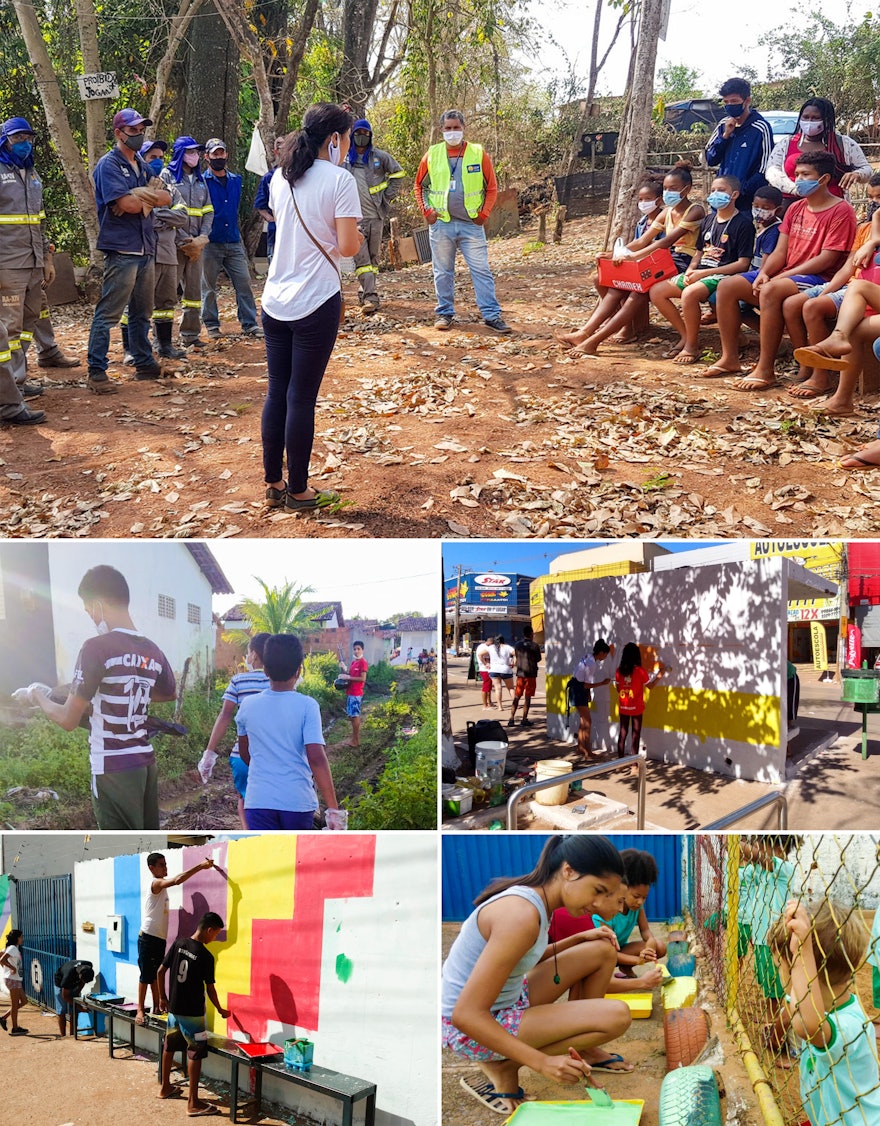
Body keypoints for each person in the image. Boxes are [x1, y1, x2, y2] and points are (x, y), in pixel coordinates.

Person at [442, 834, 634, 1116]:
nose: (598, 903)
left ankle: (580, 1047)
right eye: (598, 890)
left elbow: (521, 958)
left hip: (508, 1000)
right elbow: (466, 1015)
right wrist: (541, 1062)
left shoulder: (538, 899)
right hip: (470, 1029)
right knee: (617, 1015)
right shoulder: (520, 914)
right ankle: (508, 1065)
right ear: (568, 871)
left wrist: (580, 938)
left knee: (601, 950)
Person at [260, 103, 363, 512]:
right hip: (316, 300)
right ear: (334, 139)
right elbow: (349, 247)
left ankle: (273, 483)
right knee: (301, 398)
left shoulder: (280, 179)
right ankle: (299, 491)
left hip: (274, 299)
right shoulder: (340, 180)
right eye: (347, 137)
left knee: (276, 393)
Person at [29, 564, 176, 830]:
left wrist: (36, 696)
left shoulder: (96, 648)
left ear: (96, 605)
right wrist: (129, 692)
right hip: (145, 763)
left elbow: (67, 720)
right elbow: (169, 693)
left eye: (89, 612)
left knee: (120, 846)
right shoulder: (154, 651)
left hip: (112, 767)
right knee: (144, 839)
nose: (92, 619)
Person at [711, 150, 856, 389]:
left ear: (824, 179)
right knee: (727, 286)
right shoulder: (795, 208)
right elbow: (780, 251)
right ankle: (730, 359)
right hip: (787, 273)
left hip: (817, 276)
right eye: (797, 174)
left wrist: (779, 277)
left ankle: (765, 369)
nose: (798, 179)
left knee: (770, 291)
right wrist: (766, 272)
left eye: (805, 174)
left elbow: (827, 259)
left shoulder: (841, 211)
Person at [768, 899, 880, 1124]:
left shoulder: (849, 1025)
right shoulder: (819, 1004)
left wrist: (803, 951)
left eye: (780, 966)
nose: (779, 975)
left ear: (802, 971)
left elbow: (808, 1026)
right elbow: (794, 1006)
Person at [86, 108, 172, 393]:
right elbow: (128, 206)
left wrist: (140, 195)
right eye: (133, 130)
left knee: (141, 312)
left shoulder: (139, 164)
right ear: (119, 133)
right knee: (109, 312)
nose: (138, 134)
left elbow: (166, 196)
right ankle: (97, 371)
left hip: (145, 246)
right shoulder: (108, 165)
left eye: (140, 130)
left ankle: (144, 362)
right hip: (122, 249)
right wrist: (143, 198)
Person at [414, 109, 511, 334]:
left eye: (456, 127)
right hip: (441, 224)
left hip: (471, 225)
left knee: (481, 270)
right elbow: (420, 185)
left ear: (464, 128)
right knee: (442, 271)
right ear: (441, 130)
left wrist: (484, 214)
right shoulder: (433, 154)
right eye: (448, 128)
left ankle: (491, 315)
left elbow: (492, 187)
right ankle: (444, 313)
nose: (452, 132)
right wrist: (426, 211)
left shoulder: (478, 153)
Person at [783, 184, 880, 402]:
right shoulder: (868, 229)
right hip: (867, 293)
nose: (875, 204)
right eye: (872, 198)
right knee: (852, 326)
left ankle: (835, 341)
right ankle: (841, 400)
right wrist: (872, 240)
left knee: (857, 288)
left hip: (866, 291)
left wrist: (873, 240)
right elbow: (848, 268)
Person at [236, 632, 339, 830]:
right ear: (299, 671)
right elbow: (316, 758)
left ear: (265, 670)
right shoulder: (307, 706)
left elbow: (245, 754)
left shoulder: (247, 706)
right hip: (297, 801)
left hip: (258, 800)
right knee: (294, 858)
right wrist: (333, 810)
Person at [649, 175, 754, 364]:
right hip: (700, 272)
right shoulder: (708, 220)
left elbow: (742, 263)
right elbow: (699, 252)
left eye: (721, 190)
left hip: (723, 275)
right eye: (713, 190)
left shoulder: (744, 224)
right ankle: (685, 333)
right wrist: (691, 269)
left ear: (735, 194)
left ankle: (691, 345)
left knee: (689, 294)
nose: (715, 194)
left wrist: (703, 274)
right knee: (657, 291)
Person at [556, 177, 664, 357]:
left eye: (647, 199)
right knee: (603, 280)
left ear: (659, 200)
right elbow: (639, 243)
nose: (643, 203)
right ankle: (590, 332)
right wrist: (615, 255)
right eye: (640, 199)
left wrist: (627, 255)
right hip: (640, 265)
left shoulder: (666, 218)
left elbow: (655, 246)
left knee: (633, 289)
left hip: (657, 267)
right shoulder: (642, 222)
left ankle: (595, 337)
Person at [0, 116, 50, 424]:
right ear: (5, 140)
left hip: (33, 261)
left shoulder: (31, 174)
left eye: (28, 138)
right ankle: (9, 394)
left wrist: (47, 257)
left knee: (31, 318)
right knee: (10, 326)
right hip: (8, 262)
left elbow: (40, 220)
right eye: (18, 138)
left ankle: (17, 380)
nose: (24, 143)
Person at [157, 911, 230, 1116]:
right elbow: (210, 989)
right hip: (193, 1015)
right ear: (208, 930)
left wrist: (162, 997)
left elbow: (160, 971)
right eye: (215, 934)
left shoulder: (179, 943)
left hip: (173, 1011)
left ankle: (165, 1088)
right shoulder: (206, 956)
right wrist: (220, 1009)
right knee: (195, 1053)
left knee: (169, 1046)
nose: (214, 938)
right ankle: (193, 1102)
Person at [198, 632, 272, 829]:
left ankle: (249, 837)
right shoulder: (281, 684)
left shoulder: (239, 681)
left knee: (244, 800)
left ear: (254, 655)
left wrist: (209, 753)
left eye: (248, 653)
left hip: (243, 756)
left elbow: (224, 716)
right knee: (270, 804)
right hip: (274, 758)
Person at [136, 851, 216, 1026]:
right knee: (145, 975)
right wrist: (200, 867)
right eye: (162, 865)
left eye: (165, 864)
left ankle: (156, 1007)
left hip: (159, 938)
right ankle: (140, 1009)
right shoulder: (155, 883)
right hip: (148, 936)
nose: (165, 867)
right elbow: (177, 880)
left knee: (156, 973)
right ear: (152, 868)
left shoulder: (161, 889)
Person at [201, 138, 263, 339]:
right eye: (214, 154)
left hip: (233, 240)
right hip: (210, 241)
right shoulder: (202, 181)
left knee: (244, 283)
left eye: (221, 153)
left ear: (226, 154)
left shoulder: (236, 180)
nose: (218, 157)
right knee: (208, 287)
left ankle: (249, 323)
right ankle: (211, 325)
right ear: (207, 157)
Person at [344, 118, 405, 313]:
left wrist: (387, 197)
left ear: (370, 136)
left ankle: (365, 291)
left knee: (373, 259)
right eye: (358, 133)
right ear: (352, 135)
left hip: (376, 216)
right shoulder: (345, 160)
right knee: (362, 260)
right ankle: (372, 298)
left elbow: (398, 174)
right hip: (354, 220)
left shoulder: (379, 157)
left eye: (365, 134)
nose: (362, 137)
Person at [766, 97, 872, 203]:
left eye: (815, 118)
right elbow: (772, 171)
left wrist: (857, 174)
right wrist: (795, 189)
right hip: (790, 204)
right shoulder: (786, 143)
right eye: (806, 117)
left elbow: (866, 169)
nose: (809, 122)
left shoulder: (844, 144)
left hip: (831, 207)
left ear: (827, 120)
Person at [162, 136, 213, 349]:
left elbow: (208, 210)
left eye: (197, 152)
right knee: (167, 292)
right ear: (180, 153)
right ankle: (162, 340)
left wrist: (202, 239)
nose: (195, 156)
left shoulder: (201, 181)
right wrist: (185, 239)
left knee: (193, 293)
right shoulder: (167, 176)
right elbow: (165, 211)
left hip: (196, 247)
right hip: (174, 245)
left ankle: (190, 335)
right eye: (190, 152)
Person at [591, 850, 668, 973]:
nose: (640, 902)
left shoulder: (637, 907)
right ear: (622, 887)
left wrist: (650, 945)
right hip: (603, 954)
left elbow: (645, 930)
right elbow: (609, 952)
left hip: (620, 950)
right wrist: (638, 960)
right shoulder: (602, 912)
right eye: (636, 896)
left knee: (660, 947)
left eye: (644, 898)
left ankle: (625, 967)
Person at [704, 77, 773, 211]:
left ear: (747, 101)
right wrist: (725, 137)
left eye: (734, 101)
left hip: (745, 203)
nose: (730, 105)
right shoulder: (722, 125)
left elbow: (765, 167)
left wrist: (742, 190)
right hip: (720, 199)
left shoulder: (760, 127)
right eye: (726, 102)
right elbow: (710, 159)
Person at [614, 643, 666, 764]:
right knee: (635, 736)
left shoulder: (619, 671)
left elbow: (618, 688)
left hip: (623, 707)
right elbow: (651, 686)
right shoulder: (640, 671)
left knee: (622, 733)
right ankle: (634, 765)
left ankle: (619, 763)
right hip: (636, 708)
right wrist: (659, 675)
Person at [569, 639, 611, 760]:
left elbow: (583, 681)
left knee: (584, 720)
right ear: (601, 652)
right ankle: (588, 752)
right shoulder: (592, 663)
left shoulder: (587, 656)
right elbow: (586, 685)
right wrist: (602, 683)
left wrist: (587, 693)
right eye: (606, 654)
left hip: (576, 689)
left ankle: (581, 747)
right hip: (578, 690)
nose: (606, 657)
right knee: (588, 721)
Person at [254, 135, 285, 267]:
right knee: (274, 264)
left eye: (285, 146)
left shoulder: (298, 175)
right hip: (275, 230)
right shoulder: (269, 177)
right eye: (279, 146)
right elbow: (260, 204)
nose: (282, 149)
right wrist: (271, 218)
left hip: (294, 231)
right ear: (275, 151)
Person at [509, 625, 542, 728]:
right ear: (531, 634)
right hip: (530, 674)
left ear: (523, 634)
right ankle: (524, 719)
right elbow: (538, 659)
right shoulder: (535, 646)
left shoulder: (517, 645)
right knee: (527, 698)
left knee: (517, 697)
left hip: (520, 674)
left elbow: (516, 656)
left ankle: (511, 719)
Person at [337, 639, 368, 747]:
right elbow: (349, 675)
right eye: (354, 649)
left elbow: (362, 679)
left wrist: (349, 677)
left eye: (358, 649)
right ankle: (354, 738)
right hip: (350, 692)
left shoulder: (363, 663)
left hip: (356, 693)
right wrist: (343, 669)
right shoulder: (354, 662)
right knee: (351, 716)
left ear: (362, 650)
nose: (356, 651)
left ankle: (356, 740)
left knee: (355, 715)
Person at [54, 958, 94, 1037]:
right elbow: (65, 996)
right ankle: (63, 1036)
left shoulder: (88, 965)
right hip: (61, 985)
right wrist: (80, 1007)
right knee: (62, 1011)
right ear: (80, 975)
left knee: (74, 1011)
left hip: (74, 985)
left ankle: (72, 1034)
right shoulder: (67, 977)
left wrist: (76, 994)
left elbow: (82, 983)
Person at [0, 929, 27, 1035]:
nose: (22, 939)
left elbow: (0, 955)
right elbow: (2, 959)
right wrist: (11, 968)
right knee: (15, 1004)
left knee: (24, 1001)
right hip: (13, 980)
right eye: (21, 937)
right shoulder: (12, 948)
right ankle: (15, 1028)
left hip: (15, 979)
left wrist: (6, 969)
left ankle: (3, 1017)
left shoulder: (11, 948)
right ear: (17, 938)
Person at [487, 634, 515, 711]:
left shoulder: (491, 647)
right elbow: (516, 654)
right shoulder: (507, 647)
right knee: (511, 688)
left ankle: (500, 707)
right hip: (505, 669)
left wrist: (485, 663)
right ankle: (515, 704)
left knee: (497, 689)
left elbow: (480, 654)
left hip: (494, 669)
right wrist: (513, 662)